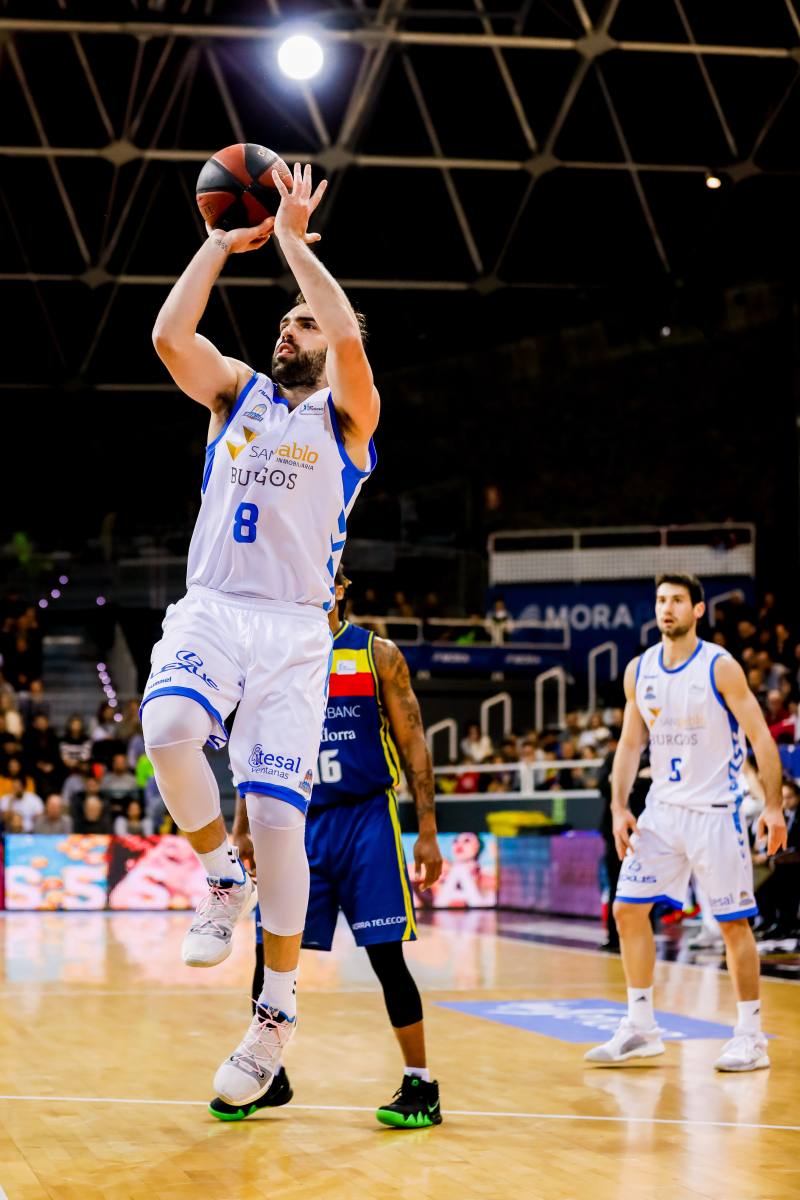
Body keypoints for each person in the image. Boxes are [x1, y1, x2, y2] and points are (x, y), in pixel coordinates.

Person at [141, 161, 379, 1108]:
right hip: (213, 605)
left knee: (281, 817)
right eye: (283, 319)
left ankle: (275, 1012)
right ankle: (218, 878)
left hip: (292, 635)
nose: (288, 326)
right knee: (165, 730)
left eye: (302, 321)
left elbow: (350, 332)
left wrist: (288, 237)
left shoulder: (351, 420)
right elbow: (168, 334)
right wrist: (218, 241)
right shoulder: (235, 392)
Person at [209, 568, 444, 1127]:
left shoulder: (375, 654)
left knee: (387, 957)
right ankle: (268, 1073)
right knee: (270, 954)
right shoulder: (275, 656)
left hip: (367, 820)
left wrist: (429, 831)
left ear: (340, 589)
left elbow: (414, 743)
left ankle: (422, 1086)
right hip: (299, 819)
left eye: (324, 580)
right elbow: (257, 747)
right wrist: (242, 826)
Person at [585, 574, 786, 1072]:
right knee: (627, 911)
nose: (666, 608)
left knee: (732, 922)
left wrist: (774, 806)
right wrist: (618, 806)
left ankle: (750, 1035)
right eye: (660, 600)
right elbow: (630, 745)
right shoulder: (640, 669)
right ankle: (640, 1027)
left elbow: (761, 738)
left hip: (714, 813)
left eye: (677, 600)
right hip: (661, 813)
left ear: (698, 609)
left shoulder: (721, 667)